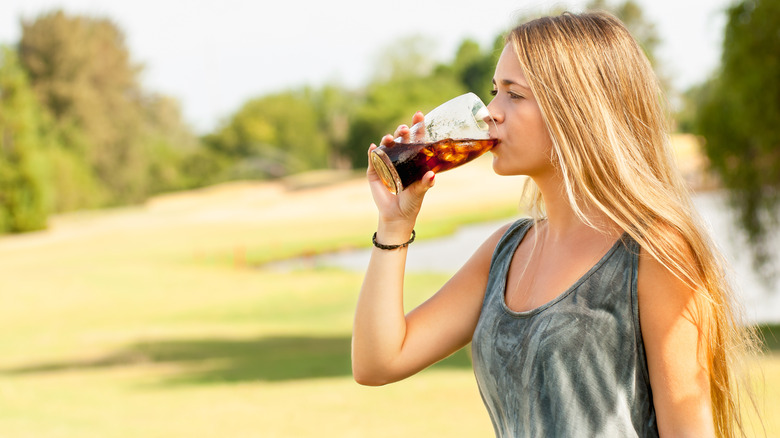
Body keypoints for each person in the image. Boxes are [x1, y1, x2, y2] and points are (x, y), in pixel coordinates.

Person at [352, 11, 759, 438]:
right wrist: (394, 224)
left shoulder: (654, 253)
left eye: (514, 95)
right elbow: (378, 362)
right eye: (495, 91)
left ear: (577, 110)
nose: (490, 113)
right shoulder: (504, 253)